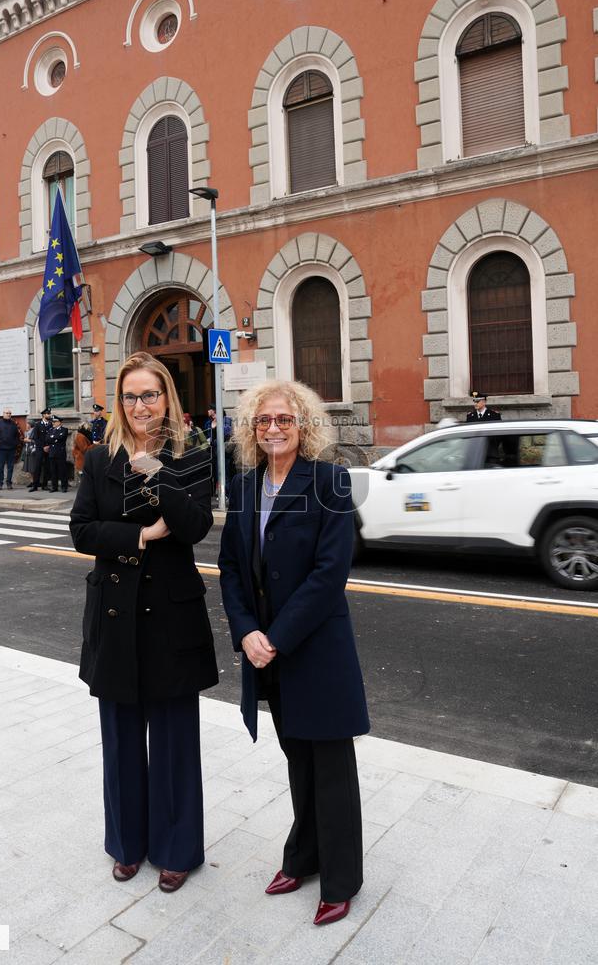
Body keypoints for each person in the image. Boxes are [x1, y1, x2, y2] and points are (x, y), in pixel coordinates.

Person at [218, 379, 369, 927]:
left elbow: (331, 575)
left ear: (303, 425)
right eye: (264, 421)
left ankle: (342, 878)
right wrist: (246, 633)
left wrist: (275, 636)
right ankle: (302, 857)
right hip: (269, 656)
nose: (274, 428)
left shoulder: (329, 481)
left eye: (284, 419)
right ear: (251, 430)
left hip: (315, 651)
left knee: (330, 767)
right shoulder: (242, 487)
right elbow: (232, 569)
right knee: (298, 764)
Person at [69, 351, 218, 894]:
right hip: (115, 615)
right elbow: (82, 531)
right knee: (122, 739)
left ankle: (178, 849)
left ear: (167, 399)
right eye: (131, 396)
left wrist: (158, 477)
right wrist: (141, 536)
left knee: (176, 741)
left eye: (150, 394)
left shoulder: (190, 454)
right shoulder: (101, 458)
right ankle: (128, 844)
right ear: (120, 402)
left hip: (171, 618)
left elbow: (196, 524)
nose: (140, 405)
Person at [0, 408, 22, 491]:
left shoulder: (13, 424)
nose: (8, 414)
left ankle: (9, 483)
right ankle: (0, 483)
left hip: (11, 449)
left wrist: (15, 443)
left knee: (10, 467)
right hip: (1, 449)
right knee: (0, 467)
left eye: (10, 413)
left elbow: (17, 436)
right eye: (7, 413)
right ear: (3, 414)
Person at [28, 408, 54, 491]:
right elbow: (36, 438)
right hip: (40, 449)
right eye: (47, 414)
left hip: (48, 449)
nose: (49, 415)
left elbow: (52, 436)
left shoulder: (51, 424)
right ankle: (35, 485)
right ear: (43, 415)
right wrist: (43, 447)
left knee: (47, 467)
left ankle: (45, 485)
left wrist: (48, 446)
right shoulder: (38, 425)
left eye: (49, 414)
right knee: (37, 467)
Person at [47, 416, 69, 492]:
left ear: (59, 422)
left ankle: (64, 486)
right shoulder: (50, 430)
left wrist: (53, 438)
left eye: (55, 422)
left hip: (60, 453)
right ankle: (54, 487)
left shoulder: (64, 430)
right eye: (53, 422)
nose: (53, 423)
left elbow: (62, 438)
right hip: (52, 453)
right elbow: (47, 439)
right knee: (53, 471)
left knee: (62, 470)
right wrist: (55, 438)